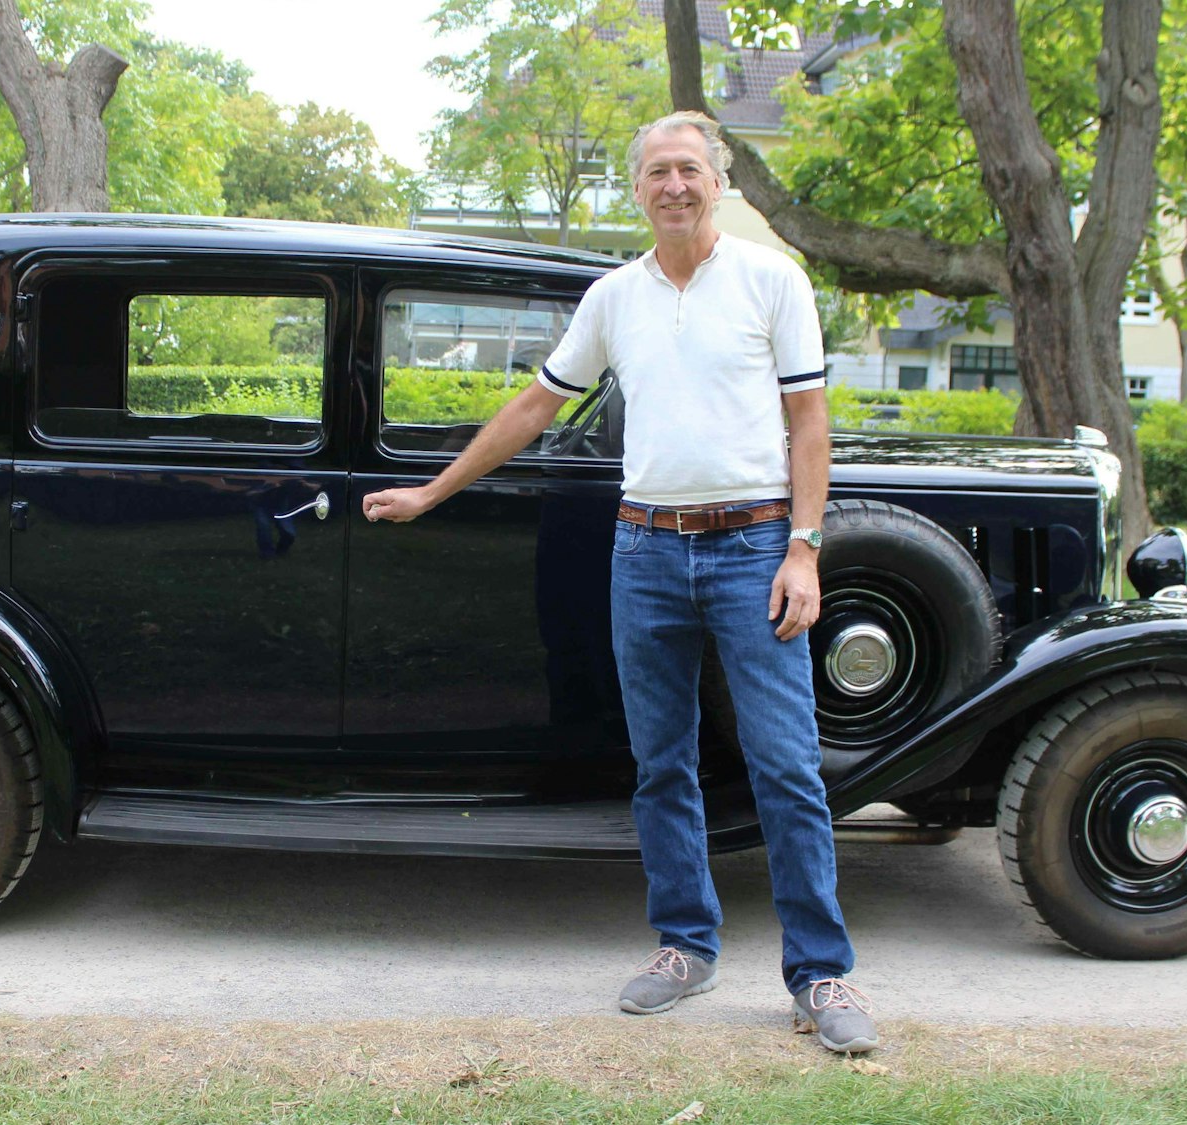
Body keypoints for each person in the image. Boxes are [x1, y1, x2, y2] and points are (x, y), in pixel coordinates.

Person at [361, 110, 878, 1053]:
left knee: (786, 766)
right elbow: (535, 403)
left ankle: (822, 973)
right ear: (636, 189)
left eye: (689, 169)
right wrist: (434, 490)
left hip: (754, 547)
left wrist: (804, 547)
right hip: (642, 551)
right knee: (661, 764)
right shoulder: (614, 297)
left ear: (718, 179)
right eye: (657, 173)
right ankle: (686, 945)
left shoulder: (773, 281)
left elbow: (809, 422)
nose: (674, 186)